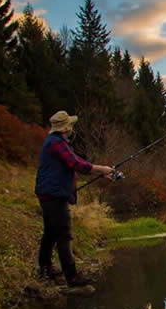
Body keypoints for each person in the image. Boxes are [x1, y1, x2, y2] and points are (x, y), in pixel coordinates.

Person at [35, 110, 115, 286]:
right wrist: (101, 169)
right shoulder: (56, 144)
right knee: (64, 234)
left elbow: (74, 163)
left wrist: (99, 173)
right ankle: (72, 277)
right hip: (53, 196)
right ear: (66, 128)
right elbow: (76, 164)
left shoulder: (55, 142)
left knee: (50, 233)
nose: (72, 128)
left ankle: (45, 269)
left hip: (50, 194)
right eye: (70, 125)